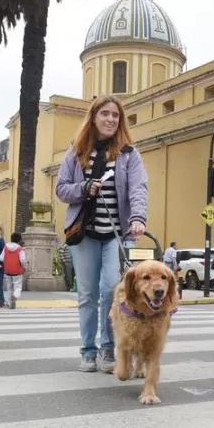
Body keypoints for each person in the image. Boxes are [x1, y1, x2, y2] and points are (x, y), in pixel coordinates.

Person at [55, 94, 148, 373]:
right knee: (86, 295)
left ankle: (109, 348)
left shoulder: (129, 154)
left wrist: (138, 218)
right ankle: (87, 351)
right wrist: (83, 189)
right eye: (105, 114)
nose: (110, 119)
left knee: (110, 290)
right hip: (84, 234)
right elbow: (62, 189)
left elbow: (139, 188)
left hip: (117, 235)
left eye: (115, 115)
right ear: (93, 118)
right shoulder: (75, 152)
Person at [0, 232, 27, 309]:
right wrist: (24, 267)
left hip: (8, 271)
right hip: (17, 271)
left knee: (9, 288)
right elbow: (23, 260)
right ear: (19, 240)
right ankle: (15, 296)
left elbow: (1, 258)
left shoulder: (5, 247)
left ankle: (10, 304)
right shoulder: (20, 249)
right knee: (18, 287)